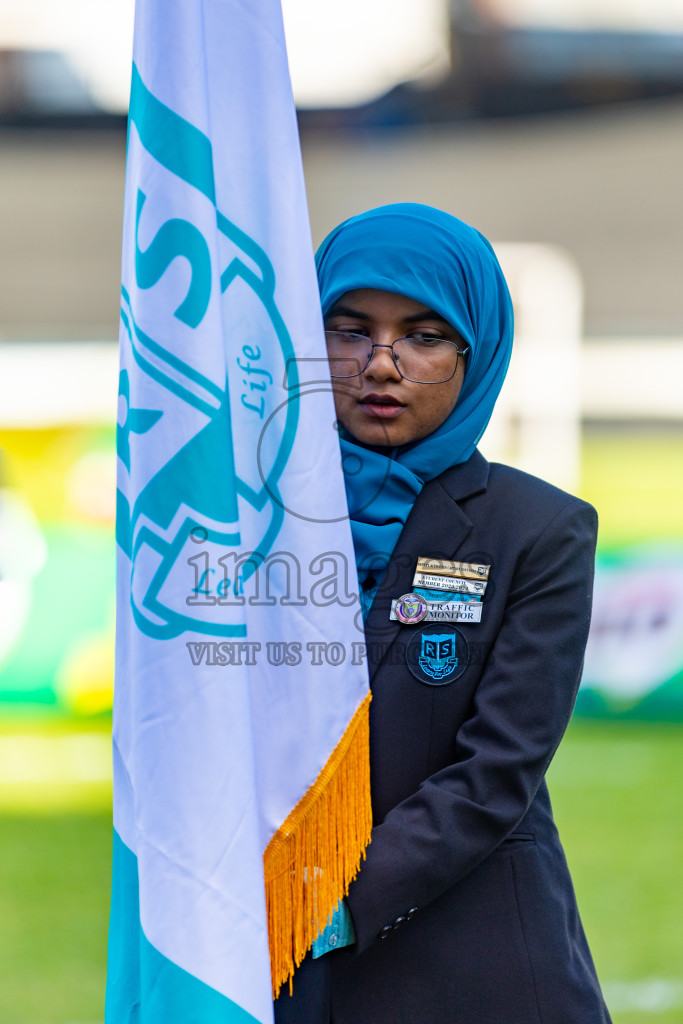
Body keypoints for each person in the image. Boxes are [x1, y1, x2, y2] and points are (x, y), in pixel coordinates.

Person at [274, 203, 612, 1023]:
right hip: (260, 961)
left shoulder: (536, 530)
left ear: (477, 354)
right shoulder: (245, 523)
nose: (381, 365)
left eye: (423, 336)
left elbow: (492, 772)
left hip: (471, 968)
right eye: (349, 330)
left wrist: (322, 906)